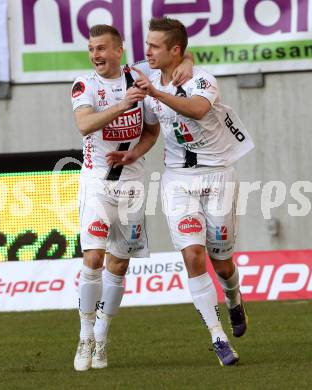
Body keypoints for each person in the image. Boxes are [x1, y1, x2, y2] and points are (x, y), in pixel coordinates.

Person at [107, 17, 255, 366]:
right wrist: (136, 152)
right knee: (192, 255)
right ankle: (218, 338)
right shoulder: (145, 73)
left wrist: (159, 89)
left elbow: (199, 109)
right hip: (177, 180)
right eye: (147, 45)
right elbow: (152, 129)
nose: (147, 51)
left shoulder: (202, 79)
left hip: (217, 176)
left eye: (155, 46)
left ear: (175, 50)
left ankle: (234, 299)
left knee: (221, 261)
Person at [70, 24, 194, 371]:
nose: (95, 55)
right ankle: (85, 335)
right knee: (93, 257)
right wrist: (123, 103)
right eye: (91, 49)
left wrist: (134, 152)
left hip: (132, 184)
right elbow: (84, 125)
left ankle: (103, 338)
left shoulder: (141, 77)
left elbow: (153, 128)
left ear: (119, 50)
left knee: (119, 264)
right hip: (97, 181)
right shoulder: (85, 85)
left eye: (102, 48)